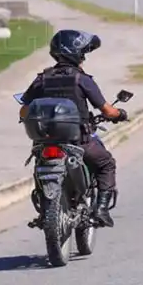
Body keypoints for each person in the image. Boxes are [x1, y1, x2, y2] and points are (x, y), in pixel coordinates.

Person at [18, 30, 128, 227]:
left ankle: (44, 211)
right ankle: (101, 210)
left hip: (44, 142)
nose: (84, 58)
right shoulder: (81, 79)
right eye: (83, 54)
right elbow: (107, 110)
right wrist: (120, 114)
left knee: (38, 170)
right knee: (106, 164)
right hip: (79, 142)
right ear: (76, 54)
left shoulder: (42, 79)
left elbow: (24, 110)